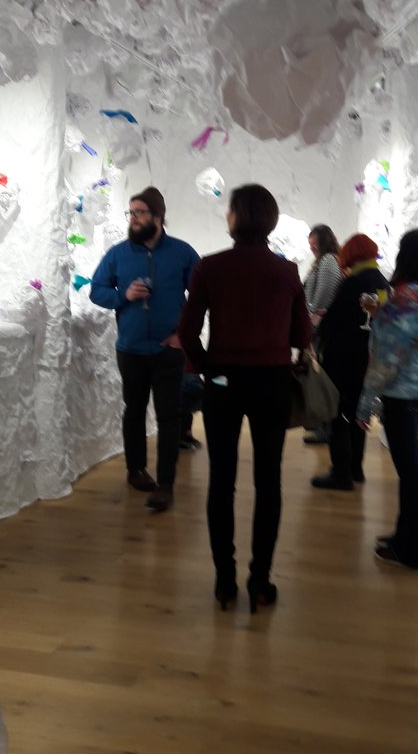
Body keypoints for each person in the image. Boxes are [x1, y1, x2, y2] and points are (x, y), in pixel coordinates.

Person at [178, 184, 312, 613]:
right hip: (272, 381)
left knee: (221, 481)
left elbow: (186, 330)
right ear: (270, 220)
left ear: (234, 217)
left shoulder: (210, 267)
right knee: (268, 482)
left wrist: (204, 366)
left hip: (222, 382)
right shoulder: (287, 271)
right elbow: (301, 336)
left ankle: (223, 582)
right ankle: (259, 581)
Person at [90, 187, 199, 512]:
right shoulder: (118, 253)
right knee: (134, 410)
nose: (133, 219)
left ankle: (165, 483)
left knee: (169, 416)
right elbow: (96, 290)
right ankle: (135, 471)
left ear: (157, 217)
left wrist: (183, 333)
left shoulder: (182, 253)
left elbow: (202, 297)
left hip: (168, 350)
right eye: (131, 213)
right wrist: (123, 295)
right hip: (131, 349)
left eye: (139, 213)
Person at [356, 229, 418, 570]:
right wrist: (382, 310)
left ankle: (409, 549)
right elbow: (414, 333)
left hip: (402, 392)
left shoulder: (404, 298)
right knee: (409, 469)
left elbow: (385, 361)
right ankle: (402, 536)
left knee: (409, 472)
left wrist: (365, 405)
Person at [311, 234, 389, 491]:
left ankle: (341, 472)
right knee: (357, 414)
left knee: (339, 414)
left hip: (343, 358)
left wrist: (319, 323)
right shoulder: (383, 283)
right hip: (368, 359)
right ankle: (355, 468)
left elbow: (333, 321)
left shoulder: (353, 282)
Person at [302, 224, 343, 444]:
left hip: (322, 328)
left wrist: (309, 320)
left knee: (323, 378)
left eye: (315, 243)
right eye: (310, 244)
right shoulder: (324, 261)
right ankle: (324, 427)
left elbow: (323, 297)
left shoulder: (328, 261)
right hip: (320, 328)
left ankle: (326, 428)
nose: (312, 247)